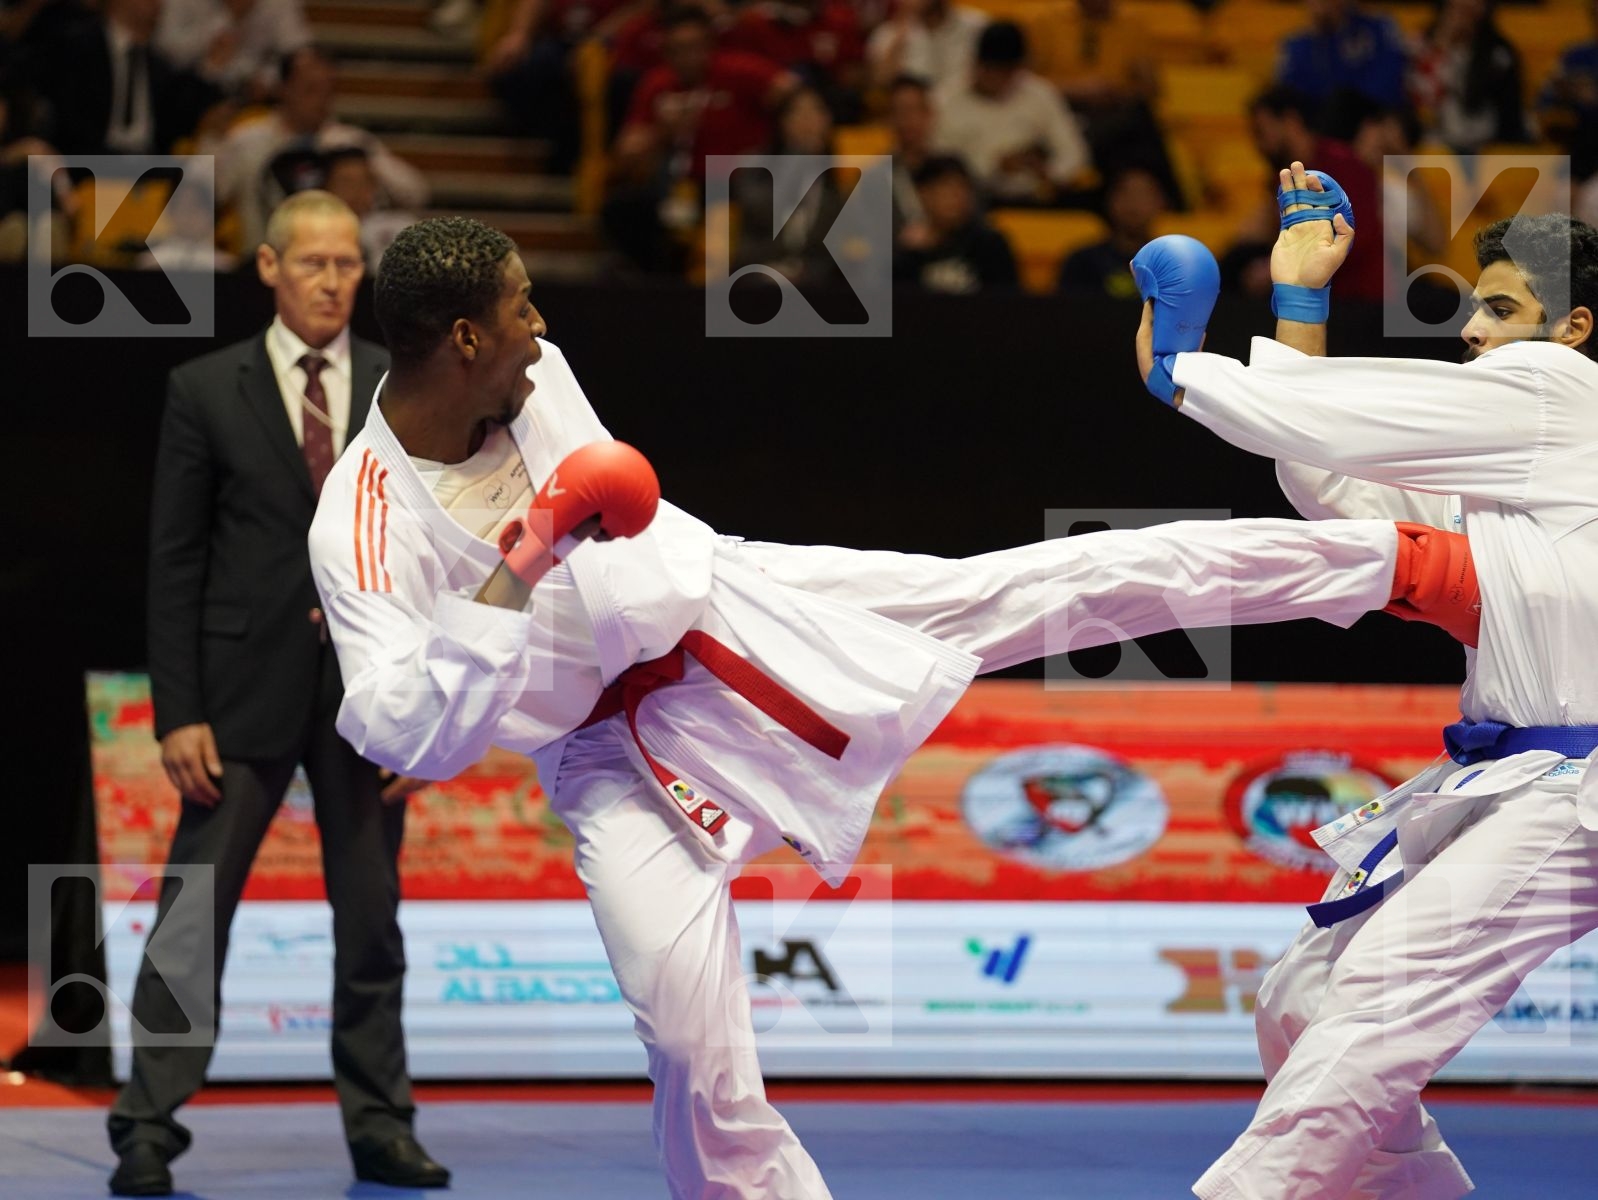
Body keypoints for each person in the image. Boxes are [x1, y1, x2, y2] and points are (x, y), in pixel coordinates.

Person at [307, 214, 1470, 1200]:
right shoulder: (359, 520)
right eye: (519, 312)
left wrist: (551, 538)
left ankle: (1388, 563)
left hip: (737, 612)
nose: (542, 331)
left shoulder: (539, 377)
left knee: (1037, 588)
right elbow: (404, 731)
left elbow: (632, 541)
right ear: (465, 338)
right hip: (608, 756)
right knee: (686, 1046)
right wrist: (519, 559)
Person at [1131, 167, 1598, 1200]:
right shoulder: (1521, 464)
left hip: (1577, 794)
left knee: (1371, 1011)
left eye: (1500, 308)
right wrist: (1298, 304)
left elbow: (1330, 421)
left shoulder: (1563, 395)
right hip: (1517, 775)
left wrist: (1185, 372)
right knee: (1302, 997)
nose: (1471, 330)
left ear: (1572, 327)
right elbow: (1343, 484)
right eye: (1473, 305)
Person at [108, 192, 446, 1197]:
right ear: (268, 267)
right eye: (314, 264)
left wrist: (422, 719)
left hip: (368, 698)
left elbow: (432, 558)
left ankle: (381, 1127)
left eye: (349, 265)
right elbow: (174, 560)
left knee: (371, 920)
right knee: (191, 916)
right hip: (238, 692)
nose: (336, 282)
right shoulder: (204, 388)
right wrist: (179, 711)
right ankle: (146, 1127)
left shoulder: (400, 386)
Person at [212, 48, 428, 257]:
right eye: (311, 89)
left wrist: (363, 168)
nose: (321, 100)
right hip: (261, 265)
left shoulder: (350, 143)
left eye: (329, 90)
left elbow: (415, 192)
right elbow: (205, 196)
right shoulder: (245, 142)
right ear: (284, 89)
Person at [932, 20, 1091, 206]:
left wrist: (1048, 172)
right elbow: (937, 164)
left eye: (1005, 72)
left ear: (1019, 68)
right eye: (990, 70)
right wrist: (995, 167)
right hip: (973, 202)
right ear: (975, 63)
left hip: (1039, 199)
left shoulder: (1041, 94)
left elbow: (1074, 153)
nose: (996, 78)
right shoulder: (946, 100)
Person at [1408, 0, 1525, 153]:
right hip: (1425, 142)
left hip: (1481, 146)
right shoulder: (1419, 44)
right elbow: (1419, 101)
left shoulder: (1499, 53)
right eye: (1458, 7)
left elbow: (1507, 115)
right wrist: (1442, 46)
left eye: (1470, 8)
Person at [894, 153, 1018, 293]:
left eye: (962, 188)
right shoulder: (908, 249)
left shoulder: (990, 244)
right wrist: (911, 254)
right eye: (946, 188)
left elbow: (1009, 303)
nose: (957, 197)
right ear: (923, 194)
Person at [1056, 164, 1167, 298]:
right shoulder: (1082, 261)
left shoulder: (1172, 266)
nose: (1133, 203)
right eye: (1125, 193)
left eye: (1143, 195)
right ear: (1110, 201)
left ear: (1160, 204)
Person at [1275, 0, 1410, 108]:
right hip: (1320, 133)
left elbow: (1388, 86)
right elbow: (1289, 106)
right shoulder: (1294, 48)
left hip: (1374, 125)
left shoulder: (1378, 30)